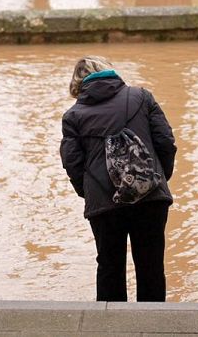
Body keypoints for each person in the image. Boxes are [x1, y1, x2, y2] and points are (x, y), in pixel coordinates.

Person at [60, 56, 177, 302]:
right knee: (151, 266)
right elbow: (166, 141)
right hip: (150, 197)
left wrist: (91, 191)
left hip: (104, 203)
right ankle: (154, 328)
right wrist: (156, 179)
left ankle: (111, 327)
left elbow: (72, 163)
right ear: (109, 72)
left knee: (109, 268)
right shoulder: (142, 97)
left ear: (77, 85)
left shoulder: (73, 116)